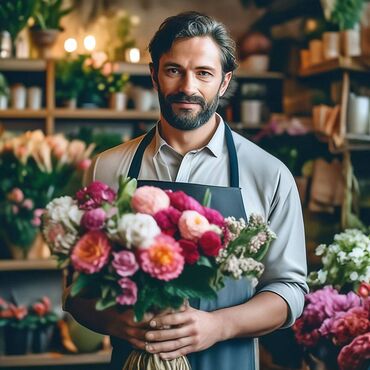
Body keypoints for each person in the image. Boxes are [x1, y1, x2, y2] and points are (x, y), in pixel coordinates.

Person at [63, 11, 308, 370]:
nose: (187, 87)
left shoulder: (269, 174)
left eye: (204, 73)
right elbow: (76, 287)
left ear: (224, 82)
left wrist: (220, 325)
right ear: (154, 75)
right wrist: (118, 322)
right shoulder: (108, 168)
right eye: (174, 70)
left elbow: (289, 291)